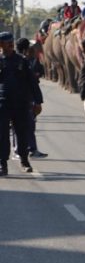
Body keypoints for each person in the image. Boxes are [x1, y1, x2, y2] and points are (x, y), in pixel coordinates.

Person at [0, 32, 43, 176]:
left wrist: (38, 101)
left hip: (20, 103)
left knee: (22, 133)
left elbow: (32, 82)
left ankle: (25, 161)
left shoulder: (21, 61)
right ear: (1, 45)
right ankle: (3, 164)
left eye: (11, 41)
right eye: (6, 42)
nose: (10, 44)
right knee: (2, 135)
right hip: (3, 103)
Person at [13, 38, 47, 159]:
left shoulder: (30, 60)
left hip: (28, 98)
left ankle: (32, 148)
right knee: (20, 125)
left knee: (30, 124)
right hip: (20, 99)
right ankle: (19, 150)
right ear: (25, 49)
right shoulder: (18, 61)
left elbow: (39, 72)